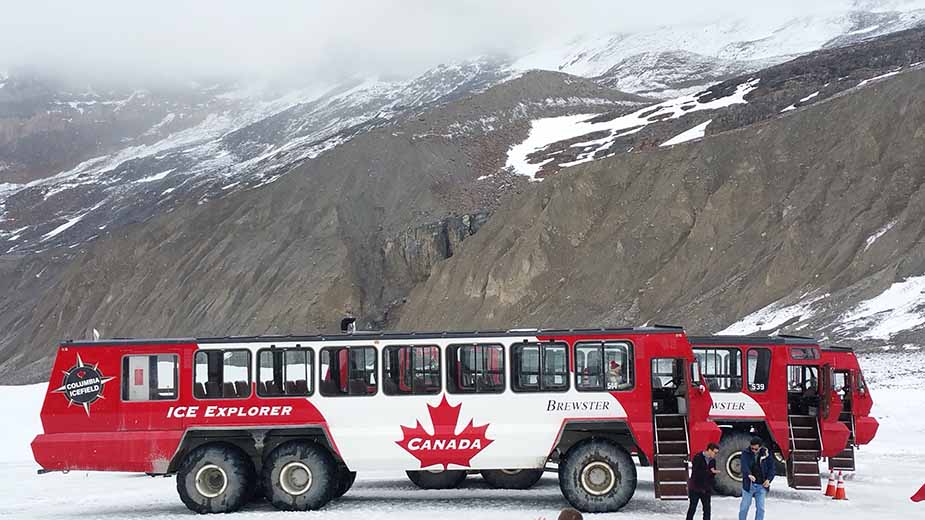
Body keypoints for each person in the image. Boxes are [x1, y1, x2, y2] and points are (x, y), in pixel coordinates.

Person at [739, 437, 775, 520]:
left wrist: (768, 480)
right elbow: (744, 466)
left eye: (756, 449)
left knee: (761, 508)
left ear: (760, 447)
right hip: (749, 485)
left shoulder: (767, 454)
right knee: (744, 507)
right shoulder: (745, 453)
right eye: (752, 448)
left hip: (761, 485)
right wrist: (748, 474)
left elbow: (772, 469)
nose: (753, 450)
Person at [687, 442, 720, 520]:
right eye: (714, 452)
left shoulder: (712, 461)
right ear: (709, 450)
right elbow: (696, 472)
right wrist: (710, 471)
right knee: (692, 508)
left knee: (707, 509)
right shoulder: (698, 457)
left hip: (706, 488)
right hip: (696, 487)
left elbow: (711, 474)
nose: (715, 454)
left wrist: (712, 473)